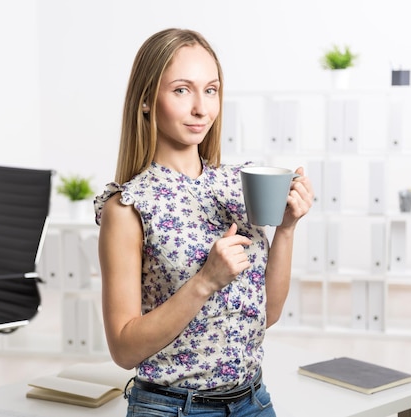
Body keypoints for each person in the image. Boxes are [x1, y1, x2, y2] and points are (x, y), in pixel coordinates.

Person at [94, 28, 313, 416]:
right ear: (146, 100)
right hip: (173, 408)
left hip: (253, 401)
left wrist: (287, 228)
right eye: (182, 90)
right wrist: (205, 282)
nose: (202, 109)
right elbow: (124, 350)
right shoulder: (127, 206)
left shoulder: (238, 184)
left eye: (210, 90)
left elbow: (268, 313)